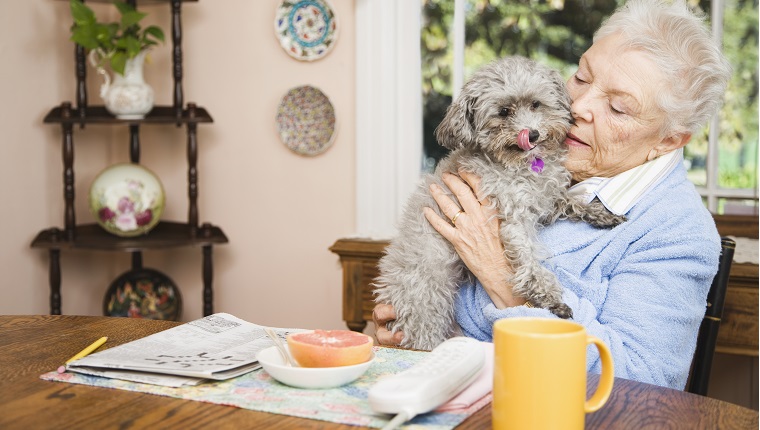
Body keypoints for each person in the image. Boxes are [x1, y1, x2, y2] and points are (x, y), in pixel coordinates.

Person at [373, 0, 732, 391]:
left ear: (668, 140)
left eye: (617, 107)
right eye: (580, 77)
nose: (578, 107)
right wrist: (393, 333)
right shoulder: (535, 158)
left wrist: (502, 276)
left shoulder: (677, 233)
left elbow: (641, 385)